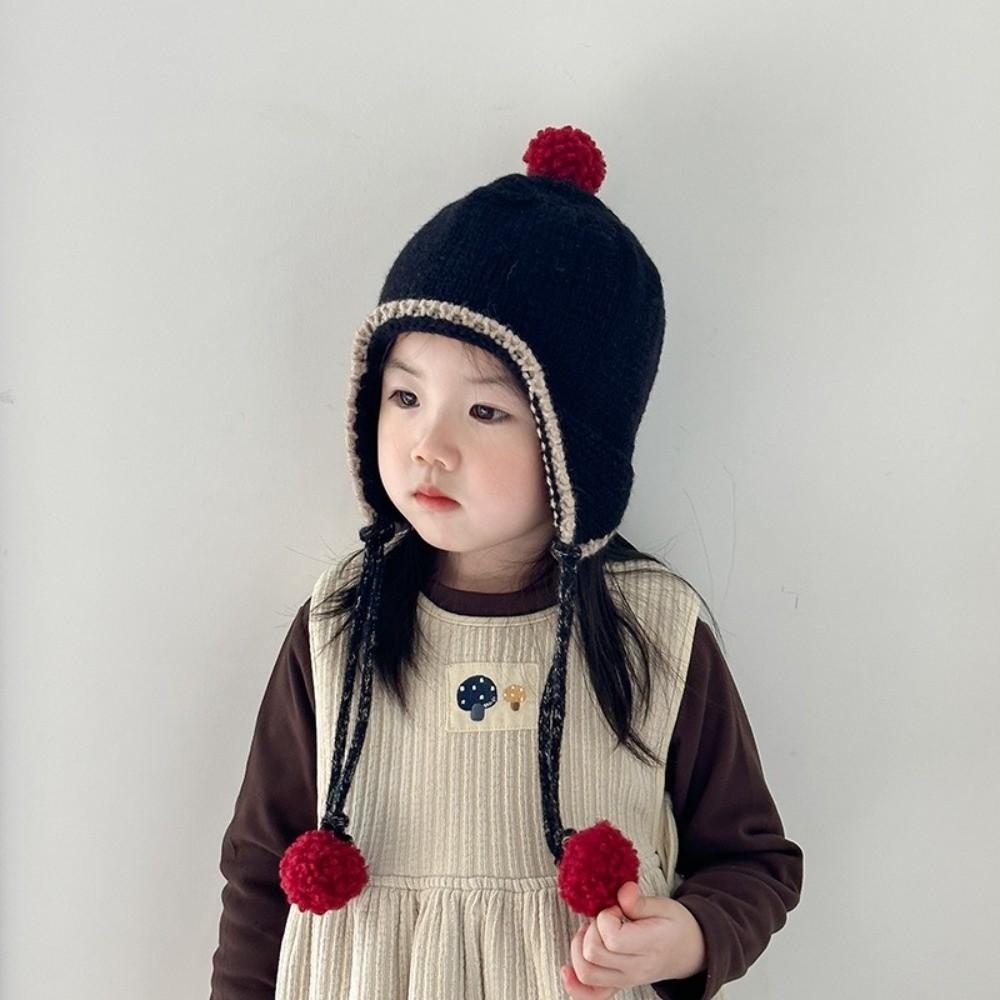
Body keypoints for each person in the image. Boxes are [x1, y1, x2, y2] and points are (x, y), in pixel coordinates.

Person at [209, 125, 803, 1000]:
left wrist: (685, 937)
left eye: (486, 412)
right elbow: (261, 867)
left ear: (575, 450)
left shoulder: (653, 629)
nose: (428, 446)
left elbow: (753, 861)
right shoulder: (341, 621)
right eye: (405, 395)